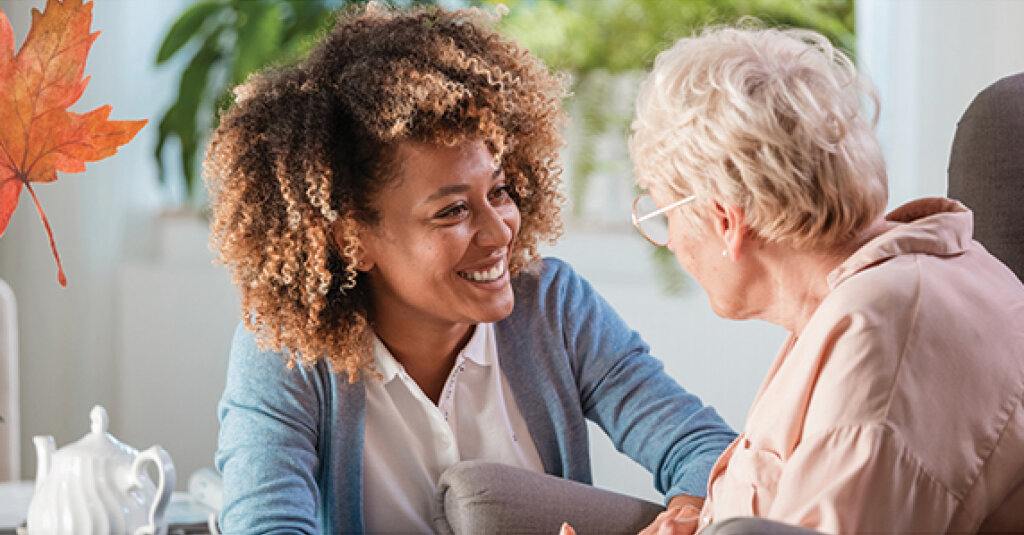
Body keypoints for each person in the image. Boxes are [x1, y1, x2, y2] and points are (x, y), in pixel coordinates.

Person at [206, 4, 736, 533]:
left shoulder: (554, 307)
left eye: (499, 192)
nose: (501, 230)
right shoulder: (286, 353)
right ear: (352, 240)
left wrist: (684, 519)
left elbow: (704, 450)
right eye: (452, 211)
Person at [627, 23, 1024, 534]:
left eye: (665, 216)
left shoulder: (880, 332)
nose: (673, 242)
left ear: (725, 221)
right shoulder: (863, 295)